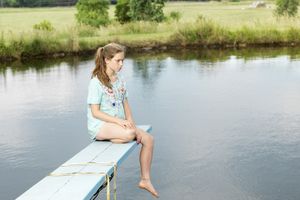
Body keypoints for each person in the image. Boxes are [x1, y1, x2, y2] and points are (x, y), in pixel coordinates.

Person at [87, 43, 159, 198]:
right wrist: (120, 123)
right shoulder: (96, 82)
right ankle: (119, 135)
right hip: (101, 125)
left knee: (149, 139)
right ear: (107, 59)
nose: (121, 64)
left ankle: (145, 180)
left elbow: (126, 104)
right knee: (129, 135)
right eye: (118, 61)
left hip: (120, 125)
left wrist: (131, 122)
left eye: (122, 61)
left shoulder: (119, 80)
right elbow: (95, 112)